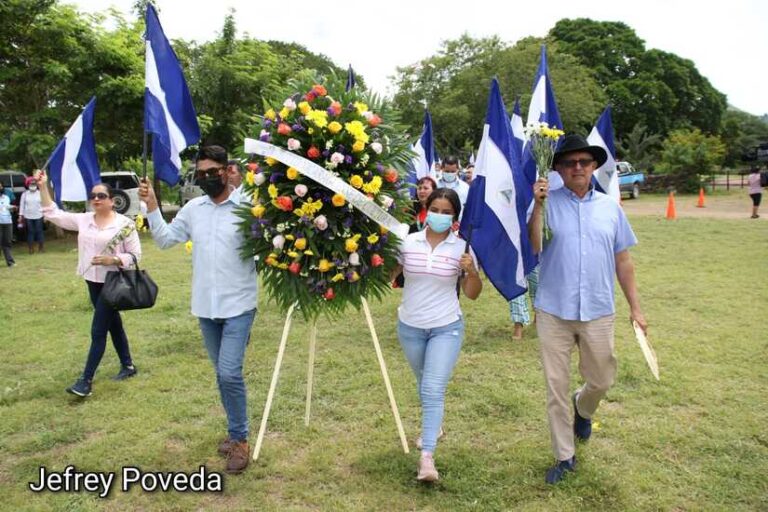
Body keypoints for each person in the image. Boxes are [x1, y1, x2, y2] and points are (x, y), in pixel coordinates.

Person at [528, 134, 647, 485]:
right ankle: (564, 457)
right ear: (559, 169)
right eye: (569, 163)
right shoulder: (545, 203)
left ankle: (584, 406)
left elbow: (623, 260)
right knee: (555, 386)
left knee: (602, 378)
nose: (577, 168)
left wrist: (636, 308)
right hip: (553, 310)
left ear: (594, 166)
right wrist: (536, 206)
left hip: (598, 309)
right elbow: (535, 245)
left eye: (584, 162)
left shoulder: (611, 207)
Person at [139, 145, 258, 475]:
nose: (206, 178)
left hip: (240, 305)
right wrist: (151, 207)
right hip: (206, 308)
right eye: (201, 173)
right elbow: (163, 240)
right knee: (222, 374)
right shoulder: (193, 209)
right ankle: (234, 432)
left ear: (226, 170)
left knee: (229, 372)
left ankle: (240, 440)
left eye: (212, 172)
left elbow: (268, 241)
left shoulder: (249, 206)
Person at [392, 188, 483, 482]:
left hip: (447, 326)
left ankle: (427, 457)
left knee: (432, 388)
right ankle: (436, 426)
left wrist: (471, 273)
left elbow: (473, 295)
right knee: (423, 383)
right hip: (410, 327)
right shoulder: (408, 242)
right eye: (436, 210)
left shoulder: (463, 249)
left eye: (447, 212)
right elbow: (389, 276)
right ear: (426, 208)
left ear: (455, 216)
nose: (440, 216)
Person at [35, 170, 141, 397]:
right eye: (93, 195)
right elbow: (52, 213)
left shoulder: (125, 224)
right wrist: (43, 187)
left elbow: (135, 256)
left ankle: (85, 381)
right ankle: (129, 366)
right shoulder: (84, 219)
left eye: (101, 196)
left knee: (98, 329)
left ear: (112, 201)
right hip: (92, 281)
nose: (96, 199)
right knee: (113, 324)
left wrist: (112, 259)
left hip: (113, 283)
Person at [508, 268, 539, 340]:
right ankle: (518, 324)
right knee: (516, 286)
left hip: (535, 258)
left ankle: (538, 315)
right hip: (514, 258)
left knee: (537, 282)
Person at [19, 176, 45, 254]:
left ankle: (41, 248)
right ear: (28, 185)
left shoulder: (40, 193)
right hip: (28, 216)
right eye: (31, 184)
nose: (32, 185)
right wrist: (21, 215)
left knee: (39, 231)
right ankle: (31, 248)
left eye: (34, 184)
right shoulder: (25, 194)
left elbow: (43, 204)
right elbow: (21, 205)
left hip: (39, 215)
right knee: (31, 231)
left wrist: (45, 215)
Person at [0, 181, 16, 267]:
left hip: (7, 222)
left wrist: (13, 208)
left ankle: (10, 262)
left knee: (7, 242)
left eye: (0, 187)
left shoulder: (6, 197)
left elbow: (9, 206)